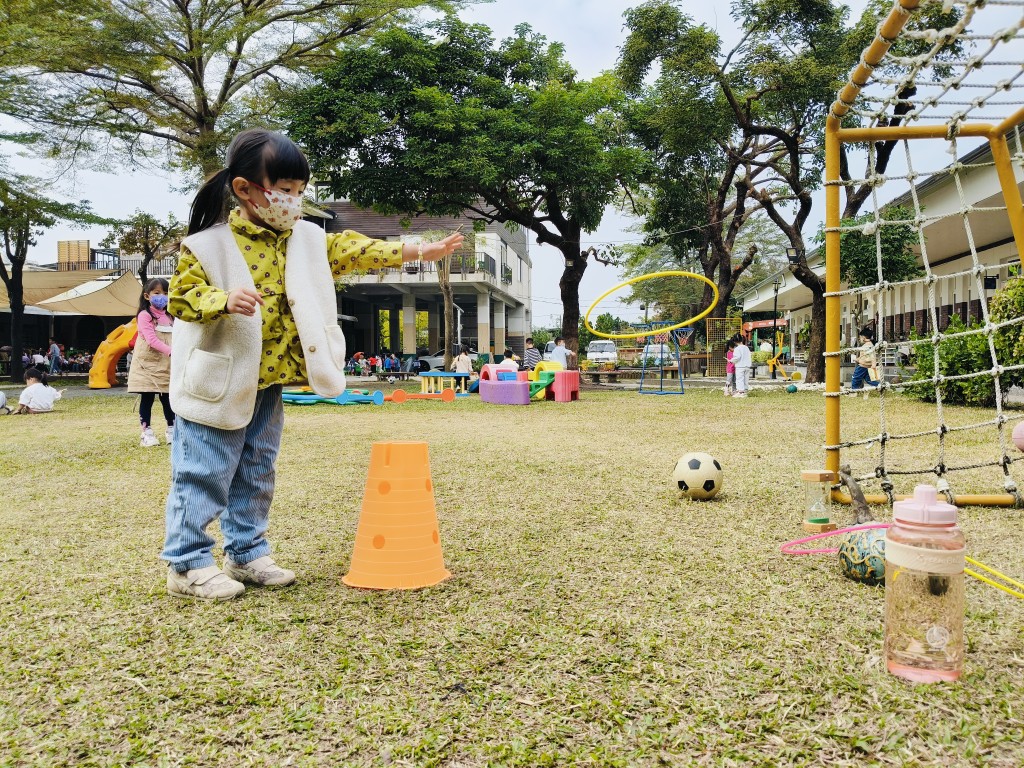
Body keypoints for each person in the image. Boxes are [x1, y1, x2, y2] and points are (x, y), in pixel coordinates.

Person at [161, 128, 464, 600]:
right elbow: (180, 298)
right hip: (216, 383)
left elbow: (359, 250)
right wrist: (222, 300)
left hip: (270, 382)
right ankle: (187, 563)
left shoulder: (308, 238)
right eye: (285, 190)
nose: (294, 201)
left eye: (300, 190)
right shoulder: (205, 245)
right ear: (245, 189)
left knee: (257, 469)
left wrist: (420, 250)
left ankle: (247, 552)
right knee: (204, 470)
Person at [127, 277, 176, 447]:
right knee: (147, 398)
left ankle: (172, 430)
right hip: (147, 364)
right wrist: (172, 351)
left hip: (167, 364)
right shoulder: (144, 315)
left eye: (166, 293)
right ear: (147, 296)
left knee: (167, 398)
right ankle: (146, 432)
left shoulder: (171, 316)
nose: (162, 296)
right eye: (157, 293)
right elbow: (151, 340)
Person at [851, 327, 880, 398]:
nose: (860, 339)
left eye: (860, 337)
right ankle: (880, 386)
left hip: (862, 366)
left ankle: (854, 392)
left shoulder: (867, 346)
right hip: (868, 366)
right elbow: (865, 356)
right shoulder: (870, 345)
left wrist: (873, 364)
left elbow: (871, 356)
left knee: (855, 378)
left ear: (863, 337)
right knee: (870, 380)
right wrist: (858, 359)